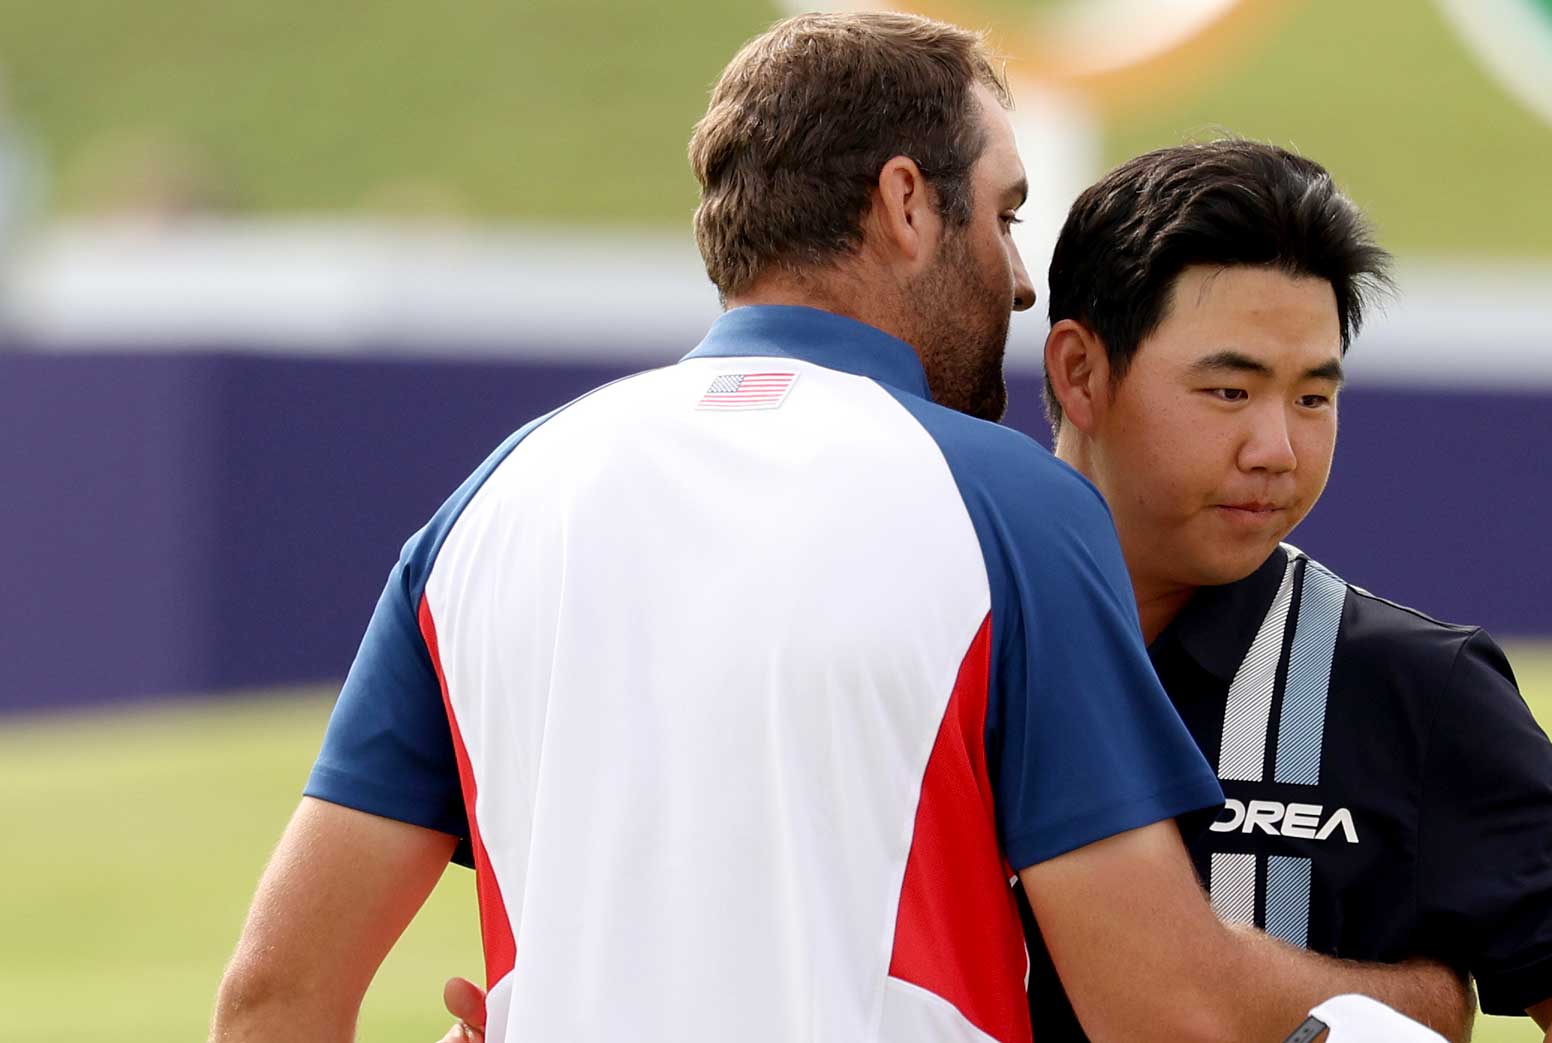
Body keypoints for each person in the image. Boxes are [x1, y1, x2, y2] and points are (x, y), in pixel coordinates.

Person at [211, 14, 1471, 1043]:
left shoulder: (493, 499)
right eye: (1005, 212)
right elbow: (1167, 1004)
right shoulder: (1006, 507)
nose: (1023, 276)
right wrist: (1422, 1003)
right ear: (905, 203)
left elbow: (274, 996)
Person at [1026, 139, 1552, 1041]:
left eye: (1313, 397)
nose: (1278, 448)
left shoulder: (1414, 683)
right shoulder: (933, 628)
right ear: (1080, 373)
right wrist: (1401, 1002)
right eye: (1230, 390)